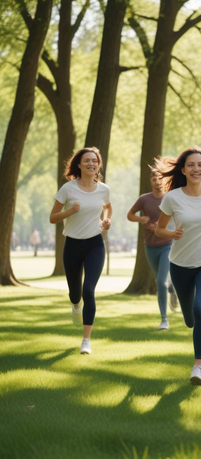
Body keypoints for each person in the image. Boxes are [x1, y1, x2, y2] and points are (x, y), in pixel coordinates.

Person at [154, 146, 201, 386]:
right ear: (183, 170)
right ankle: (177, 293)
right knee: (189, 319)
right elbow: (159, 229)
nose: (196, 169)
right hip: (180, 263)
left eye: (200, 165)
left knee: (200, 309)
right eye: (191, 165)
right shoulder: (173, 197)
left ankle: (198, 366)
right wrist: (171, 233)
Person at [49, 147, 112, 355]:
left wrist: (106, 219)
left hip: (95, 244)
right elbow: (53, 217)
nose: (91, 164)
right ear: (79, 164)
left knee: (89, 290)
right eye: (87, 161)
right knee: (75, 293)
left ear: (98, 165)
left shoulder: (103, 189)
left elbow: (108, 207)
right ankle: (76, 305)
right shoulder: (68, 189)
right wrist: (70, 211)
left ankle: (86, 340)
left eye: (95, 161)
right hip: (73, 245)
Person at [127, 170, 179, 331]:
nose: (157, 181)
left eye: (160, 179)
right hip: (150, 246)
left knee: (160, 282)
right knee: (161, 282)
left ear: (165, 181)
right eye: (154, 178)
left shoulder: (170, 198)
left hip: (167, 244)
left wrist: (162, 226)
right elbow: (130, 215)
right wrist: (141, 219)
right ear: (150, 181)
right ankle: (172, 288)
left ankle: (164, 319)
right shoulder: (144, 199)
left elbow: (178, 217)